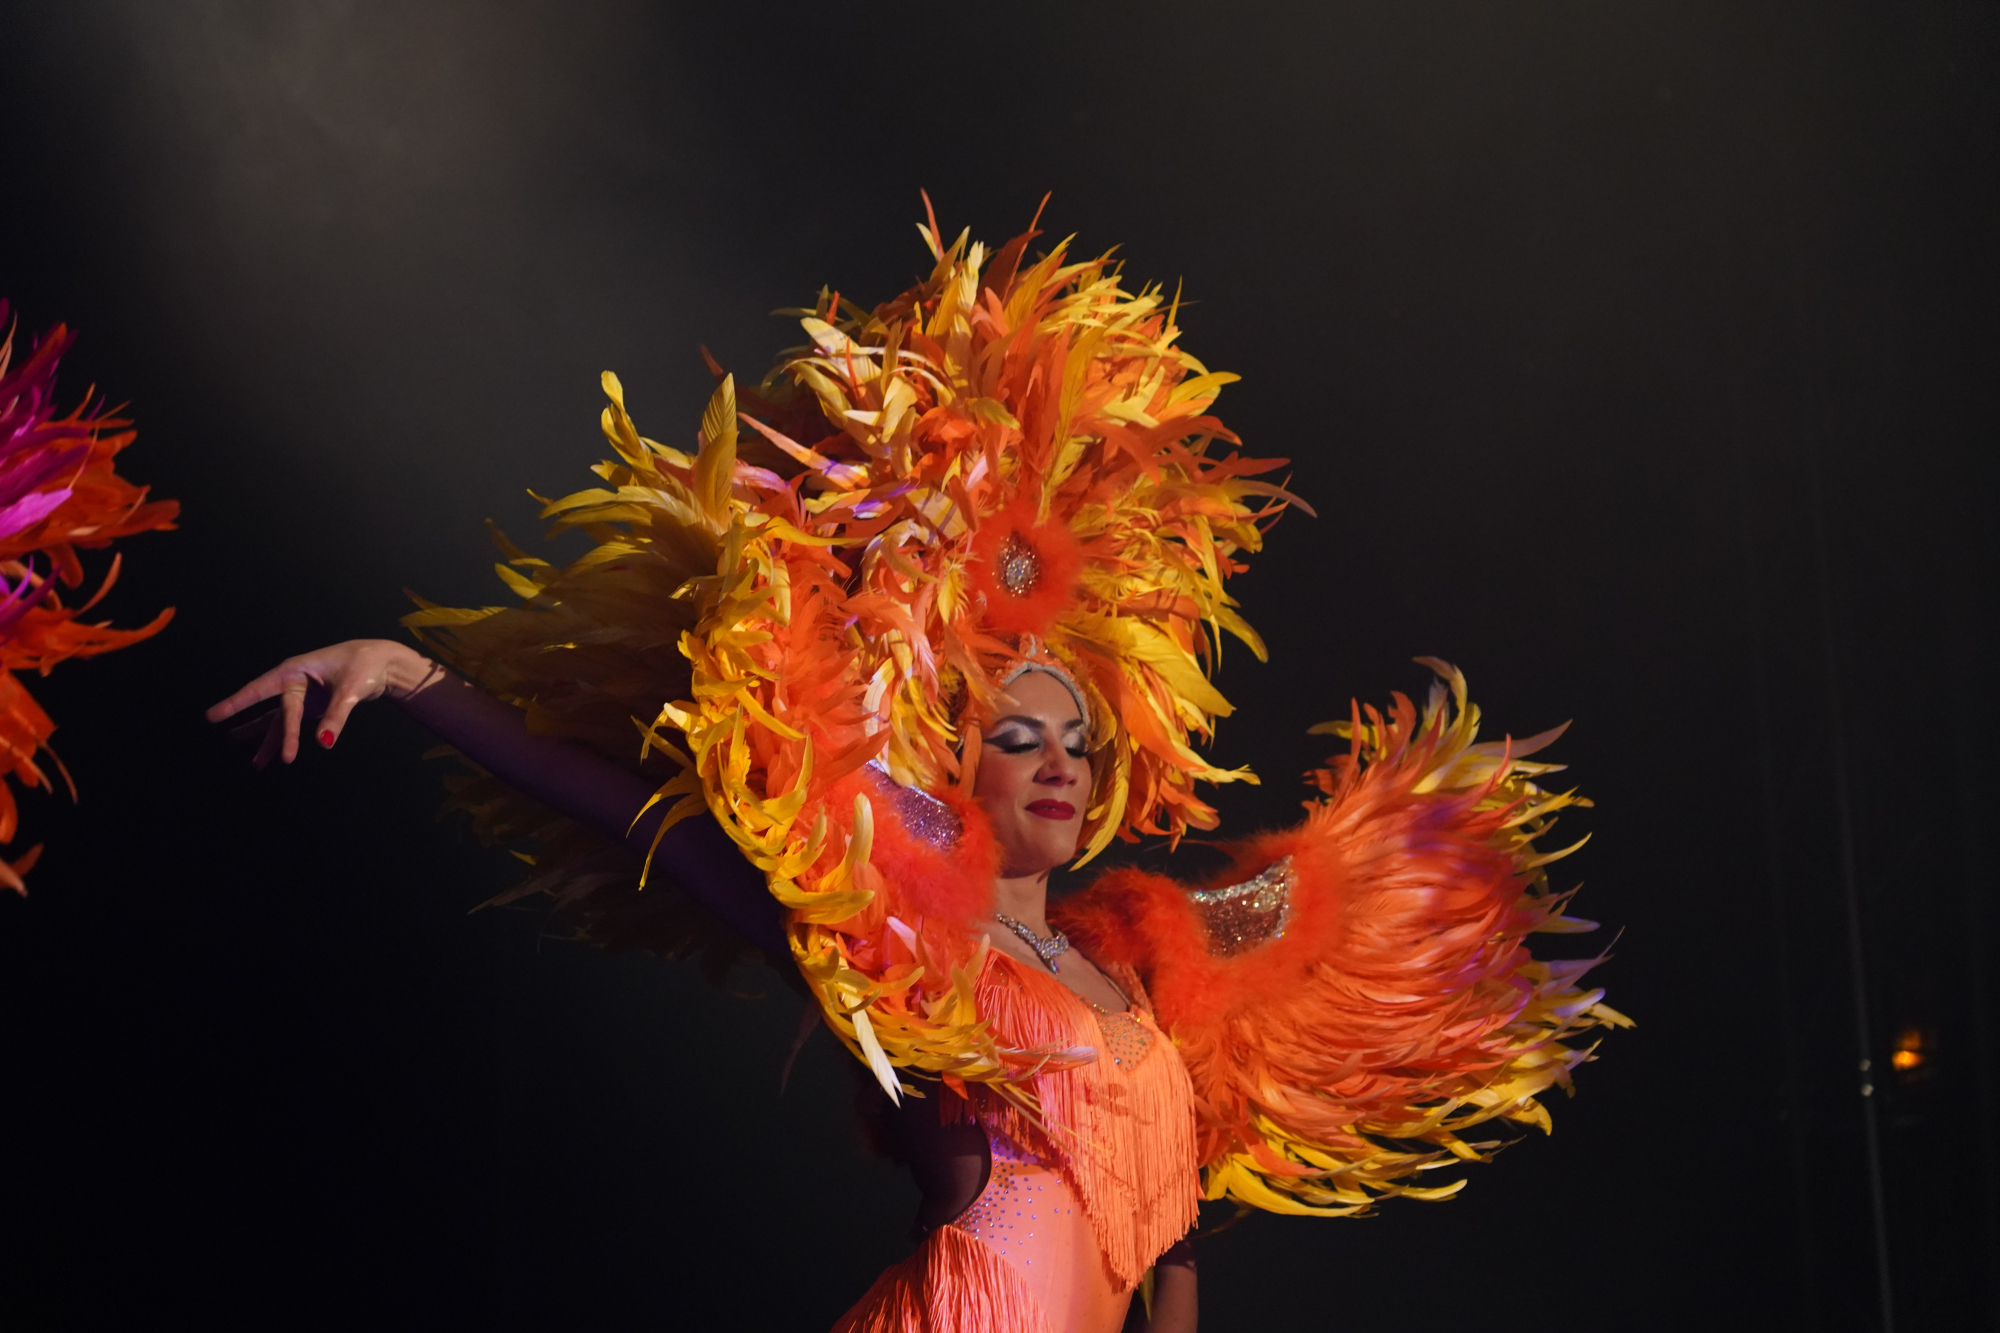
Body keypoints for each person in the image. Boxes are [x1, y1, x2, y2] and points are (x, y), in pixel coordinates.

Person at [208, 207, 1626, 1333]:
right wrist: (410, 677)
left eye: (1077, 742)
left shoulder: (1143, 978)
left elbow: (1181, 1229)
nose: (1059, 763)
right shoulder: (902, 947)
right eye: (1020, 737)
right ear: (960, 774)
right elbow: (638, 815)